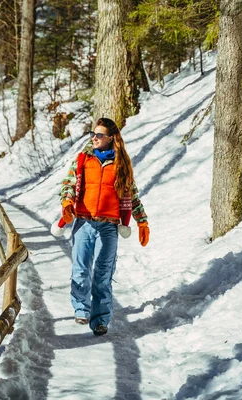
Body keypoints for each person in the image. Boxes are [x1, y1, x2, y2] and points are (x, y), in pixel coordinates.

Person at [58, 117, 149, 336]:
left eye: (99, 135)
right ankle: (81, 308)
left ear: (111, 138)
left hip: (108, 227)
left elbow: (132, 196)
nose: (95, 138)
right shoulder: (83, 159)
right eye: (93, 134)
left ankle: (100, 320)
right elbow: (69, 184)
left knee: (103, 273)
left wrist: (142, 220)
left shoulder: (121, 165)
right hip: (84, 223)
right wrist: (67, 202)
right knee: (80, 270)